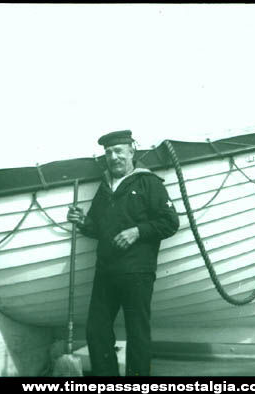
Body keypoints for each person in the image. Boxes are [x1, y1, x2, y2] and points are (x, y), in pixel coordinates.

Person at [67, 130, 179, 376]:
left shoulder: (148, 182)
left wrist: (138, 232)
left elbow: (170, 222)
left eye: (118, 151)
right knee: (96, 330)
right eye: (108, 153)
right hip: (106, 271)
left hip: (137, 272)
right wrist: (82, 222)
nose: (113, 157)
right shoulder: (105, 187)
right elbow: (98, 228)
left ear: (132, 151)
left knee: (137, 332)